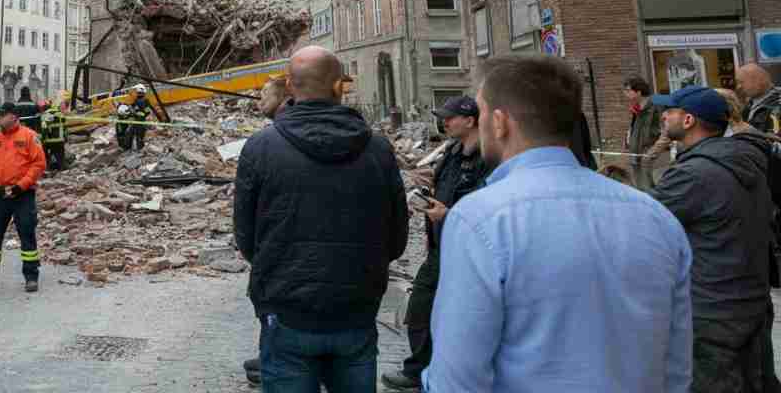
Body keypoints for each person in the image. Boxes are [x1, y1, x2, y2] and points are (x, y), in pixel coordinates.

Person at [423, 57, 692, 392]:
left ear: (500, 122)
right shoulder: (657, 218)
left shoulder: (480, 219)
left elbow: (457, 377)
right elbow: (677, 365)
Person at [234, 46, 408, 392]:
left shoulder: (260, 147)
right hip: (355, 310)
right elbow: (396, 236)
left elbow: (247, 236)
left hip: (286, 311)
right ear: (339, 86)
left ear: (289, 85)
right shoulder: (378, 149)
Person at [650, 85, 776, 392]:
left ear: (690, 120)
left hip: (711, 311)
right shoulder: (746, 160)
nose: (664, 116)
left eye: (671, 110)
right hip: (753, 302)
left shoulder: (692, 175)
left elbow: (642, 223)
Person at [381, 96, 488, 392]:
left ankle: (450, 373)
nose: (445, 121)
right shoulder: (452, 151)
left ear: (470, 120)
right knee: (420, 308)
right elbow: (449, 185)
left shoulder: (488, 158)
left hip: (469, 250)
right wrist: (428, 185)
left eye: (450, 117)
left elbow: (488, 207)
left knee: (462, 314)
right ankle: (419, 371)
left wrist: (449, 215)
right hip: (440, 246)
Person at [242, 75, 293, 388]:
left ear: (285, 96)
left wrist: (259, 259)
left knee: (279, 315)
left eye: (263, 93)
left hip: (280, 263)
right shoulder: (368, 142)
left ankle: (275, 361)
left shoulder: (264, 144)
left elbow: (245, 222)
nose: (258, 99)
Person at [0, 102, 47, 293]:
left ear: (14, 116)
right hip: (0, 195)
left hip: (23, 194)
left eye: (2, 114)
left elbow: (38, 164)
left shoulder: (29, 136)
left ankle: (31, 276)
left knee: (26, 234)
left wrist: (21, 185)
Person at [623, 75, 669, 189]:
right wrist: (628, 139)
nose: (625, 93)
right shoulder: (635, 108)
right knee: (641, 189)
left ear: (638, 92)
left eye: (628, 90)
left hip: (654, 158)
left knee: (656, 190)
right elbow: (635, 128)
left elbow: (667, 131)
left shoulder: (657, 105)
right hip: (636, 155)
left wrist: (652, 152)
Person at [737, 63, 781, 134]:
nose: (739, 86)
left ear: (759, 80)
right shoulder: (750, 102)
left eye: (741, 82)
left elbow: (775, 140)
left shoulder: (777, 105)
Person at [40, 99, 68, 172]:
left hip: (49, 141)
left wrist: (42, 140)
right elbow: (65, 128)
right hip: (60, 140)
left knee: (46, 155)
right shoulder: (60, 114)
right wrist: (65, 139)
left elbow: (44, 129)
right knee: (60, 158)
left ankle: (47, 169)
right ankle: (63, 171)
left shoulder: (45, 115)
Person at [126, 84, 156, 151]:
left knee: (134, 135)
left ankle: (133, 149)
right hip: (140, 121)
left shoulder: (138, 100)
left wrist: (134, 111)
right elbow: (147, 111)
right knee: (139, 136)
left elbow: (136, 109)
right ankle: (139, 149)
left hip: (137, 120)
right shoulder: (144, 100)